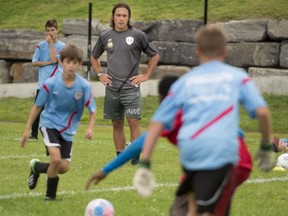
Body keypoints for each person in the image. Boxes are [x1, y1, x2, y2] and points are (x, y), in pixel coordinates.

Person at [133, 25, 275, 216]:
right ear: (225, 51)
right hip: (221, 153)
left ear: (197, 51)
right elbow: (262, 112)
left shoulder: (185, 81)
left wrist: (145, 163)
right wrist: (266, 146)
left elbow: (157, 122)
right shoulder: (237, 77)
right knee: (210, 211)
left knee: (193, 207)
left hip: (190, 151)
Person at [85, 76, 252, 216]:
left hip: (232, 164)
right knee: (180, 208)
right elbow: (239, 133)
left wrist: (106, 170)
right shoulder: (188, 111)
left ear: (163, 97)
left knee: (207, 210)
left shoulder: (177, 113)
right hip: (202, 166)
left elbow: (139, 144)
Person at [20, 45, 96, 200]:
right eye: (68, 62)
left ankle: (36, 167)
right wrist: (27, 128)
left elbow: (92, 110)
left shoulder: (83, 86)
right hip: (49, 124)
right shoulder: (50, 84)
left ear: (80, 64)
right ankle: (50, 197)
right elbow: (37, 106)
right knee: (55, 159)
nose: (71, 66)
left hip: (68, 130)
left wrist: (90, 128)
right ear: (61, 62)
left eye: (75, 63)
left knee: (63, 167)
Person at [91, 2, 160, 165]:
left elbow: (154, 55)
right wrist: (100, 74)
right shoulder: (105, 36)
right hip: (112, 89)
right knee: (117, 123)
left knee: (133, 121)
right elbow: (94, 57)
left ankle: (135, 158)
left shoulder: (138, 35)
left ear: (128, 18)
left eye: (124, 16)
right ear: (113, 17)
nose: (121, 18)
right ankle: (120, 156)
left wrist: (146, 75)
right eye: (118, 15)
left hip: (131, 88)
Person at [29, 19, 66, 140]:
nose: (50, 33)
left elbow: (55, 60)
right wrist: (47, 63)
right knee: (37, 108)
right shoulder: (40, 45)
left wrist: (51, 45)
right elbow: (34, 62)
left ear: (57, 30)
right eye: (48, 30)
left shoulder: (62, 47)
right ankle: (33, 134)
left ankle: (57, 133)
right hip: (43, 84)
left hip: (56, 83)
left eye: (53, 30)